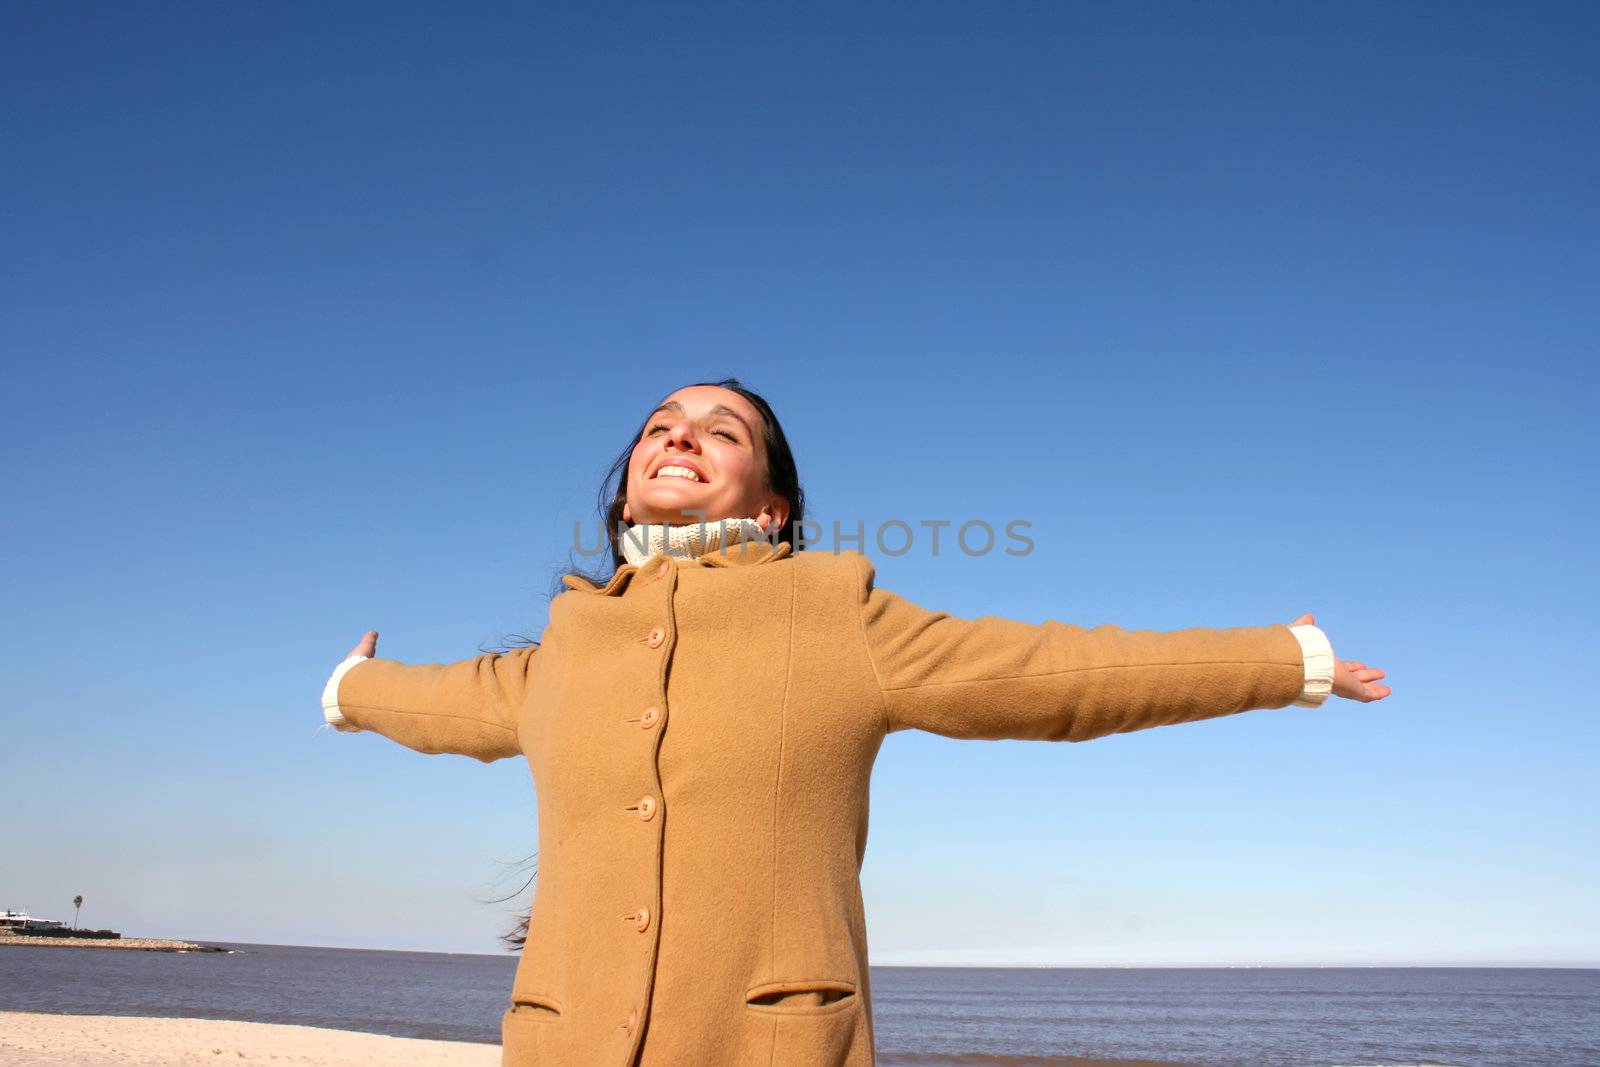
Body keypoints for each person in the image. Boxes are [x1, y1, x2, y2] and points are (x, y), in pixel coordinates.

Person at [320, 378, 1391, 1067]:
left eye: (719, 429)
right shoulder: (558, 653)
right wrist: (353, 689)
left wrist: (1275, 657)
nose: (679, 434)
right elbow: (435, 701)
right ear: (626, 496)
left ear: (772, 504)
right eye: (660, 426)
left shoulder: (839, 619)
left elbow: (1054, 672)